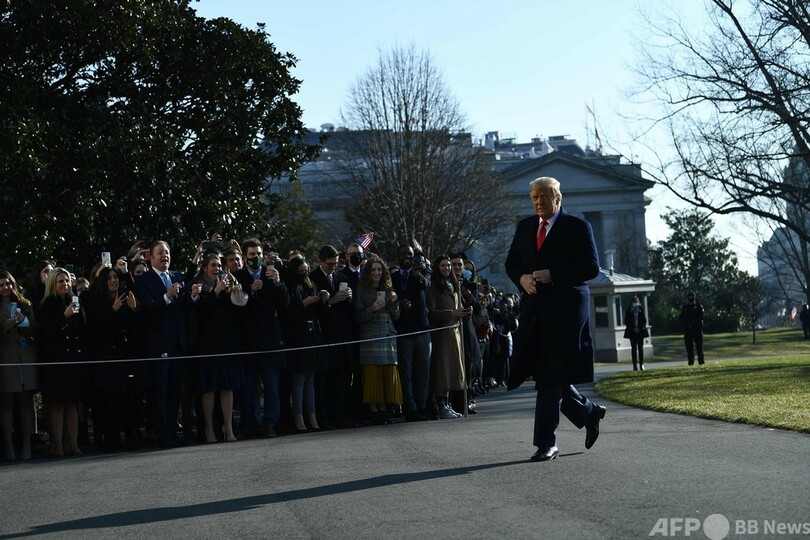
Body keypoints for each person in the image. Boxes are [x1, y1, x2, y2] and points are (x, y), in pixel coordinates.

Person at [505, 176, 607, 462]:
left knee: (550, 373)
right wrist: (522, 279)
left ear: (558, 199)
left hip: (566, 309)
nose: (539, 201)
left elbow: (591, 267)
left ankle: (546, 442)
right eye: (534, 197)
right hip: (535, 310)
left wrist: (554, 275)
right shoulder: (525, 227)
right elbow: (511, 263)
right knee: (547, 372)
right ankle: (588, 412)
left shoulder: (577, 227)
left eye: (544, 197)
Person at [135, 240, 197, 447]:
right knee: (160, 391)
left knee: (175, 390)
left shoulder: (177, 276)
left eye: (167, 253)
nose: (165, 256)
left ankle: (172, 430)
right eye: (160, 253)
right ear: (151, 258)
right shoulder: (144, 280)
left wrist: (193, 296)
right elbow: (149, 309)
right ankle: (161, 433)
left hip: (179, 343)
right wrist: (166, 296)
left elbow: (185, 307)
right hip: (159, 344)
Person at [233, 239, 289, 439]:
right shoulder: (238, 277)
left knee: (272, 388)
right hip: (248, 342)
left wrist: (278, 283)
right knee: (249, 389)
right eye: (251, 254)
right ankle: (250, 424)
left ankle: (269, 424)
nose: (255, 258)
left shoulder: (271, 274)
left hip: (270, 342)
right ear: (245, 257)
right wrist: (250, 291)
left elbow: (285, 304)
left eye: (258, 254)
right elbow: (235, 308)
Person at [191, 253, 246, 443]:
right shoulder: (199, 285)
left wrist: (234, 291)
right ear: (205, 268)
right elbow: (201, 311)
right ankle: (208, 428)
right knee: (210, 388)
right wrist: (216, 291)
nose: (217, 269)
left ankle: (228, 427)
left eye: (219, 265)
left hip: (227, 343)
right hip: (208, 345)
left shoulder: (228, 283)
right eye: (213, 265)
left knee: (227, 387)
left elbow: (237, 309)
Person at [83, 266, 139, 451]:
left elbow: (133, 327)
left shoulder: (124, 297)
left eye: (116, 277)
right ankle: (106, 438)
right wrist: (112, 310)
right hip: (103, 358)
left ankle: (123, 437)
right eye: (109, 278)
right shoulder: (95, 301)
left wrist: (133, 310)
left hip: (122, 356)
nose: (113, 281)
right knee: (105, 401)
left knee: (122, 400)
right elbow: (95, 328)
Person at [39, 268, 88, 457]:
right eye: (60, 281)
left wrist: (77, 309)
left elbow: (83, 327)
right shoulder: (47, 304)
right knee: (58, 405)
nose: (64, 284)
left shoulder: (73, 300)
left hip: (74, 359)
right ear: (53, 283)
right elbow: (47, 332)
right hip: (56, 361)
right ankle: (58, 446)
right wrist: (64, 316)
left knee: (72, 404)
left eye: (67, 281)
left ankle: (74, 445)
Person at [309, 245, 355, 428]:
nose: (333, 267)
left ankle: (343, 415)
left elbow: (349, 311)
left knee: (343, 379)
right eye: (330, 264)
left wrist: (349, 298)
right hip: (325, 336)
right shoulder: (313, 279)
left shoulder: (341, 277)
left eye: (336, 264)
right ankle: (325, 418)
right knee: (325, 381)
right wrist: (332, 301)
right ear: (320, 262)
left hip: (343, 335)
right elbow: (314, 310)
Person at [282, 257, 327, 432]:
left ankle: (312, 416)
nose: (304, 273)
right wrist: (303, 304)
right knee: (299, 379)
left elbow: (319, 312)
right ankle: (299, 417)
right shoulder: (289, 287)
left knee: (310, 378)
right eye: (301, 271)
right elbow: (287, 314)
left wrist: (323, 300)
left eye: (306, 270)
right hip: (297, 337)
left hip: (313, 334)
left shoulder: (311, 285)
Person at [354, 257, 402, 425]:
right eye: (373, 270)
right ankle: (374, 411)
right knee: (372, 376)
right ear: (368, 272)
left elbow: (397, 315)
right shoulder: (361, 289)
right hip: (370, 338)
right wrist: (372, 309)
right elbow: (357, 316)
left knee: (387, 375)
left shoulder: (388, 288)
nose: (376, 273)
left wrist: (394, 302)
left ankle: (384, 410)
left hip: (388, 335)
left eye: (379, 270)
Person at [0, 270, 39, 460]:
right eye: (1, 285)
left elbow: (36, 331)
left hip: (26, 357)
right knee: (6, 404)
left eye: (8, 283)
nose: (5, 287)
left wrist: (23, 322)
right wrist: (5, 328)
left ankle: (27, 446)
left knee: (26, 402)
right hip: (6, 359)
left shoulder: (25, 304)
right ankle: (8, 447)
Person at [426, 254, 471, 420]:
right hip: (441, 333)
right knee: (442, 370)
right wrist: (451, 313)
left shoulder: (454, 284)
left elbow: (459, 306)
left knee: (452, 370)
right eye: (443, 266)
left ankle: (447, 403)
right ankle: (441, 405)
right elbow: (431, 311)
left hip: (455, 332)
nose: (446, 268)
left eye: (448, 265)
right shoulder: (433, 286)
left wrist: (466, 311)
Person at [391, 245, 432, 422]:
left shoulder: (423, 272)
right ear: (398, 257)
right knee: (405, 372)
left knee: (422, 372)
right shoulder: (392, 277)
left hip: (421, 329)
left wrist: (417, 273)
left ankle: (422, 406)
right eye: (403, 254)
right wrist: (399, 303)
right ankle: (410, 409)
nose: (407, 256)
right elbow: (390, 297)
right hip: (403, 331)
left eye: (410, 253)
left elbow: (425, 284)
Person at [624, 296, 649, 371]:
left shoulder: (641, 310)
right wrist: (633, 328)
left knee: (640, 348)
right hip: (632, 332)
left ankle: (641, 364)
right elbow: (627, 321)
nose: (635, 303)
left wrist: (640, 328)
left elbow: (644, 320)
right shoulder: (629, 311)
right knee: (633, 349)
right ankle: (634, 365)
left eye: (636, 302)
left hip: (640, 332)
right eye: (634, 302)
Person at [679, 292, 704, 365]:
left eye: (692, 297)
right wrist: (685, 326)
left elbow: (701, 317)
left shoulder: (698, 306)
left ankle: (701, 361)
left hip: (697, 330)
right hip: (688, 331)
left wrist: (697, 325)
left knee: (699, 347)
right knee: (689, 348)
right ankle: (690, 361)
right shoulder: (685, 308)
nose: (691, 298)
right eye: (689, 297)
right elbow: (681, 318)